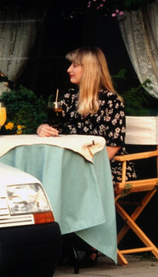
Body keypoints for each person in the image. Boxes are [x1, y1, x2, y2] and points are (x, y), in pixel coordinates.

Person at [36, 46, 132, 182]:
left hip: (107, 167)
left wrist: (83, 167)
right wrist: (42, 128)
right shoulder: (70, 98)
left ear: (89, 69)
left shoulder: (110, 101)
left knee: (61, 179)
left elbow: (113, 146)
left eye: (75, 65)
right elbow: (55, 128)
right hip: (74, 165)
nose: (68, 69)